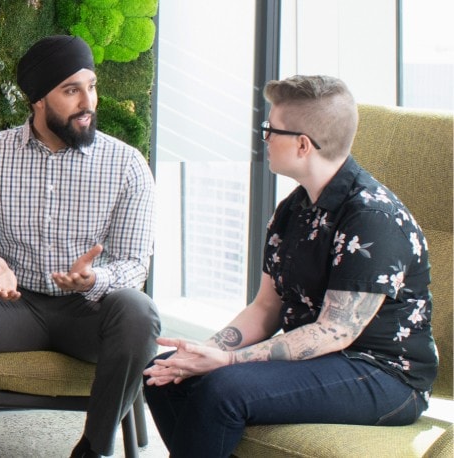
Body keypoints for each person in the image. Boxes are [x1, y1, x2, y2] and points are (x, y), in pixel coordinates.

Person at [143, 74, 437, 457]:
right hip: (324, 361)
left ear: (302, 144)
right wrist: (204, 351)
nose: (264, 138)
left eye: (270, 129)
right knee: (165, 374)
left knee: (222, 389)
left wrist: (228, 361)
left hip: (385, 375)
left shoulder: (371, 218)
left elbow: (335, 332)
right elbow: (266, 307)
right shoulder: (292, 209)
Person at [0, 35, 160, 458]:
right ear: (37, 98)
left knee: (139, 312)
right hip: (11, 310)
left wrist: (97, 278)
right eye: (71, 90)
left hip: (88, 316)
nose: (87, 102)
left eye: (91, 86)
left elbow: (133, 264)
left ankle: (93, 448)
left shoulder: (127, 165)